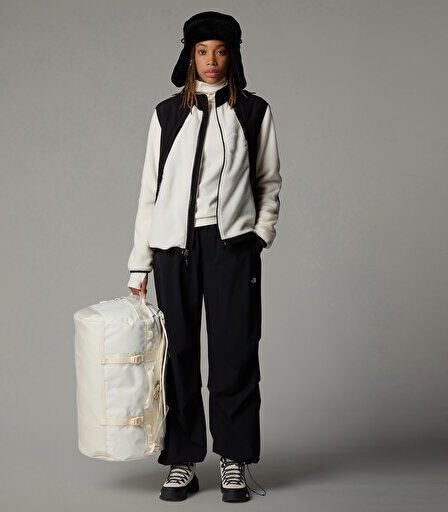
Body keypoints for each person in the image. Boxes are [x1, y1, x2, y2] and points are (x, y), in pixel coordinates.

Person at [126, 11, 281, 503]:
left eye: (220, 51)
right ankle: (182, 460)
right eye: (201, 51)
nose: (211, 60)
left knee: (236, 353)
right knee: (178, 356)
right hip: (174, 249)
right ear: (189, 55)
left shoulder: (253, 111)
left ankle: (234, 458)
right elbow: (149, 191)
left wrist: (259, 235)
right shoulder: (167, 114)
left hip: (231, 246)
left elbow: (268, 181)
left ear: (232, 56)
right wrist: (140, 263)